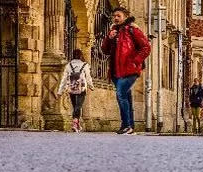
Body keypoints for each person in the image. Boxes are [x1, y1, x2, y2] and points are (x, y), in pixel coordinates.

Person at [101, 7, 151, 135]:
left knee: (121, 95)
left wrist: (135, 61)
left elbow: (146, 47)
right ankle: (128, 125)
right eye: (114, 16)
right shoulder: (114, 31)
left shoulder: (132, 30)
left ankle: (127, 125)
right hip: (116, 71)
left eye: (118, 16)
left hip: (129, 69)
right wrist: (109, 38)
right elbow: (105, 50)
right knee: (126, 96)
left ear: (125, 17)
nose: (116, 18)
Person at [58, 49, 95, 132]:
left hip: (72, 87)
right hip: (82, 88)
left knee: (75, 105)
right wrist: (91, 86)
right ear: (81, 56)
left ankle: (76, 123)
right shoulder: (85, 65)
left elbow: (64, 79)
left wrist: (60, 90)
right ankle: (75, 122)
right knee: (78, 105)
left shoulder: (68, 65)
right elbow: (88, 77)